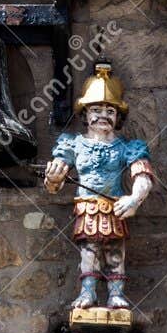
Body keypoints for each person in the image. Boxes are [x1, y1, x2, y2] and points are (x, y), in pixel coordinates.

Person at [43, 63, 153, 311]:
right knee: (89, 253)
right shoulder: (73, 144)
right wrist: (53, 177)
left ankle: (116, 294)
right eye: (96, 109)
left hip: (115, 207)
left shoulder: (127, 147)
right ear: (85, 114)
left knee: (115, 253)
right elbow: (55, 179)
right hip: (87, 209)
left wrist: (135, 199)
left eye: (109, 110)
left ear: (118, 116)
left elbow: (143, 176)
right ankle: (88, 292)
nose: (103, 115)